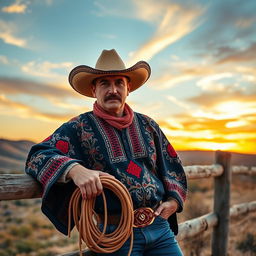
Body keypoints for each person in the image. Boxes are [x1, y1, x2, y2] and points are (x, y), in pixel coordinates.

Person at [25, 49, 187, 255]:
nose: (113, 89)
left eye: (119, 82)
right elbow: (37, 155)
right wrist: (74, 170)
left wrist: (173, 202)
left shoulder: (148, 125)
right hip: (115, 234)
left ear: (128, 88)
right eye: (104, 83)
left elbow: (171, 163)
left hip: (159, 228)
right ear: (94, 90)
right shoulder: (79, 127)